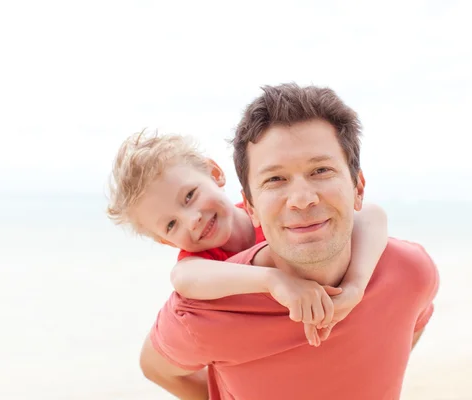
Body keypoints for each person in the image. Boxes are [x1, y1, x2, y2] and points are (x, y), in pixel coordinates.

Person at [138, 83, 440, 400]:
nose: (301, 200)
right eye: (276, 179)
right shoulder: (204, 309)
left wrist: (355, 288)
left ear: (358, 187)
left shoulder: (409, 271)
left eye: (320, 170)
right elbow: (158, 366)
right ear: (250, 206)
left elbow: (408, 319)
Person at [106, 131, 389, 346]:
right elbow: (183, 278)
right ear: (166, 241)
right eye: (170, 224)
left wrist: (355, 286)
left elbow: (371, 215)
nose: (192, 220)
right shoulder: (202, 263)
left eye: (190, 196)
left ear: (215, 173)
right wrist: (275, 280)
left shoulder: (275, 215)